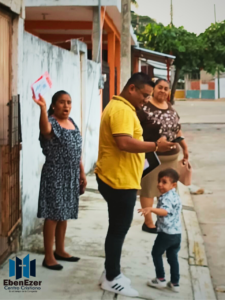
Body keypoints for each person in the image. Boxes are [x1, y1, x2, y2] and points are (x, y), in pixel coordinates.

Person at [95, 73, 176, 297]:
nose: (146, 100)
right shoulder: (121, 110)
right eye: (144, 95)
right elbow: (124, 142)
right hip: (118, 181)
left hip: (120, 177)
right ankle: (112, 278)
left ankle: (110, 272)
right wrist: (155, 146)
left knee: (116, 229)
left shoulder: (123, 107)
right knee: (118, 230)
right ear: (131, 88)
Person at [33, 90, 87, 271]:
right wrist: (42, 108)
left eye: (69, 102)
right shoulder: (51, 122)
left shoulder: (72, 123)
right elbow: (45, 130)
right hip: (55, 174)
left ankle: (60, 250)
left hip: (71, 175)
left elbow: (77, 151)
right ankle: (48, 257)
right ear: (54, 105)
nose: (66, 106)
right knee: (54, 215)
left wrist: (82, 173)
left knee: (65, 214)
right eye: (62, 102)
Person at [137, 78, 189, 234]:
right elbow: (135, 131)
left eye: (166, 88)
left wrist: (185, 147)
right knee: (149, 189)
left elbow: (177, 130)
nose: (163, 91)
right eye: (160, 87)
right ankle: (148, 223)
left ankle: (162, 218)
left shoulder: (170, 107)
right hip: (152, 157)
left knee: (165, 189)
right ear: (154, 89)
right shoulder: (144, 108)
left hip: (171, 157)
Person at [138, 168, 182, 293]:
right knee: (173, 257)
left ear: (173, 185)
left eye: (164, 182)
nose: (159, 184)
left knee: (156, 254)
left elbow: (165, 211)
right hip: (176, 234)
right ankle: (175, 283)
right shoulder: (175, 195)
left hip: (166, 234)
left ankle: (160, 279)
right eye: (159, 181)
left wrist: (150, 209)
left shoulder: (166, 198)